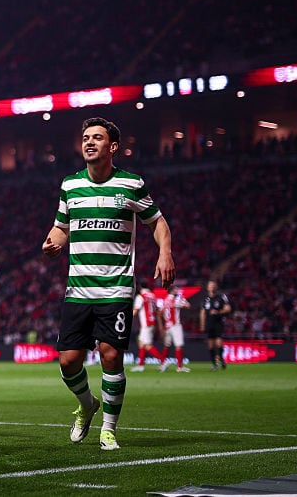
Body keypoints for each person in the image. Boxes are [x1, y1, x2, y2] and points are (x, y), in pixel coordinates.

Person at [42, 116, 174, 452]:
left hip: (115, 288)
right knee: (68, 361)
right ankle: (87, 404)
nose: (89, 142)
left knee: (110, 354)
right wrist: (53, 242)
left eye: (97, 138)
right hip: (78, 289)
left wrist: (165, 253)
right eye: (85, 137)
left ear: (112, 147)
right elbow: (61, 227)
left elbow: (157, 222)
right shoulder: (70, 185)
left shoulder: (130, 184)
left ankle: (109, 429)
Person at [130, 279, 162, 372]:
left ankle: (163, 361)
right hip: (152, 323)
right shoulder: (152, 296)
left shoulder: (141, 297)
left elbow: (136, 310)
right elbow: (157, 309)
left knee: (147, 345)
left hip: (146, 324)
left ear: (140, 287)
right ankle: (141, 365)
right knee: (141, 343)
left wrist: (127, 318)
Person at [200, 279, 231, 371]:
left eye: (213, 285)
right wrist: (202, 325)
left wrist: (218, 312)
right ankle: (214, 364)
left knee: (218, 343)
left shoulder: (221, 297)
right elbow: (202, 313)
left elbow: (228, 309)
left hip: (218, 323)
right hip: (209, 324)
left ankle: (221, 358)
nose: (212, 287)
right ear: (207, 288)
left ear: (216, 287)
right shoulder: (205, 300)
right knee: (210, 345)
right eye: (210, 286)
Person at [159, 284, 191, 372]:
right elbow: (188, 306)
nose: (177, 290)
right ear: (172, 290)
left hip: (167, 326)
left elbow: (161, 312)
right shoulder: (176, 300)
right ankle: (179, 367)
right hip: (175, 325)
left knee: (166, 346)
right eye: (176, 289)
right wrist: (183, 298)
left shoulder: (165, 300)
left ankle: (162, 364)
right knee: (178, 346)